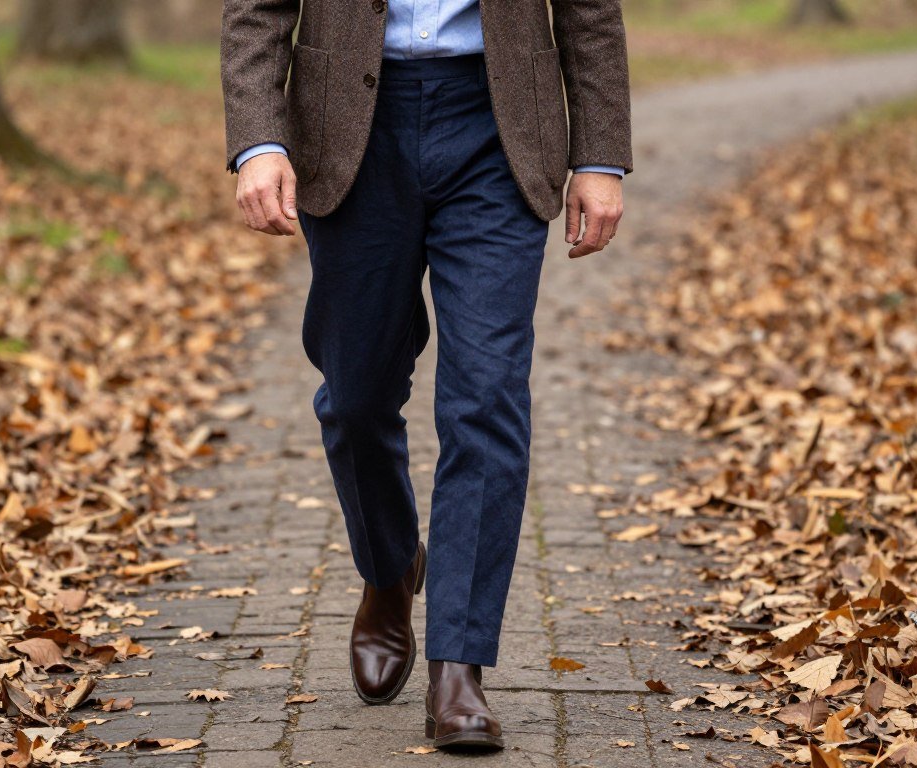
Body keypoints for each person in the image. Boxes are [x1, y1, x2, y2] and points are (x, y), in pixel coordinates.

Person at [221, 0, 632, 750]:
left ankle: (458, 668)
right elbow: (255, 9)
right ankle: (388, 569)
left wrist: (599, 156)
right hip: (349, 126)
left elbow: (590, 11)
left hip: (499, 124)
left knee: (487, 398)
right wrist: (258, 140)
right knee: (355, 398)